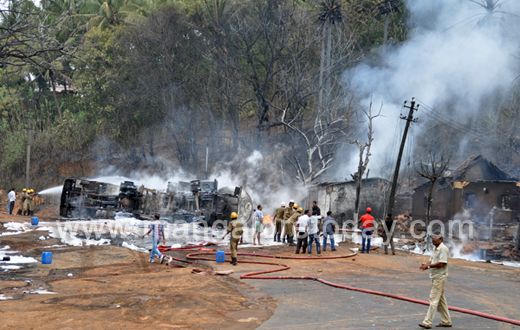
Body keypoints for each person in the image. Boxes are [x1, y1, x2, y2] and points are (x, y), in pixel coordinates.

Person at [418, 233, 452, 329]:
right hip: (435, 276)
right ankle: (446, 321)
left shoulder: (443, 249)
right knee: (441, 300)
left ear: (441, 239)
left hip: (439, 277)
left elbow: (442, 263)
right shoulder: (435, 248)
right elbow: (433, 261)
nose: (433, 239)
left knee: (433, 299)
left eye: (435, 238)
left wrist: (428, 266)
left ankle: (427, 322)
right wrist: (426, 264)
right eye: (432, 237)